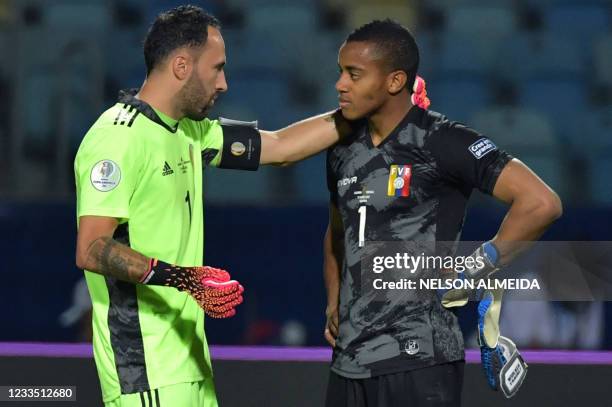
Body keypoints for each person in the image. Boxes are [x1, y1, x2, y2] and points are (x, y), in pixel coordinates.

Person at [74, 5, 347, 407]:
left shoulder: (191, 131)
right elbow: (92, 248)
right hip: (146, 371)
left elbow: (282, 146)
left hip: (190, 364)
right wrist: (184, 279)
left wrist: (365, 113)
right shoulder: (117, 139)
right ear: (182, 65)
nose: (224, 83)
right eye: (217, 68)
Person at [323, 19, 562, 406]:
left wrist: (482, 262)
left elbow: (541, 202)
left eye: (354, 74)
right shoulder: (341, 150)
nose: (340, 84)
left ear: (395, 81)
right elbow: (338, 231)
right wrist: (334, 300)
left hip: (420, 361)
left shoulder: (443, 141)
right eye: (340, 73)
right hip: (348, 362)